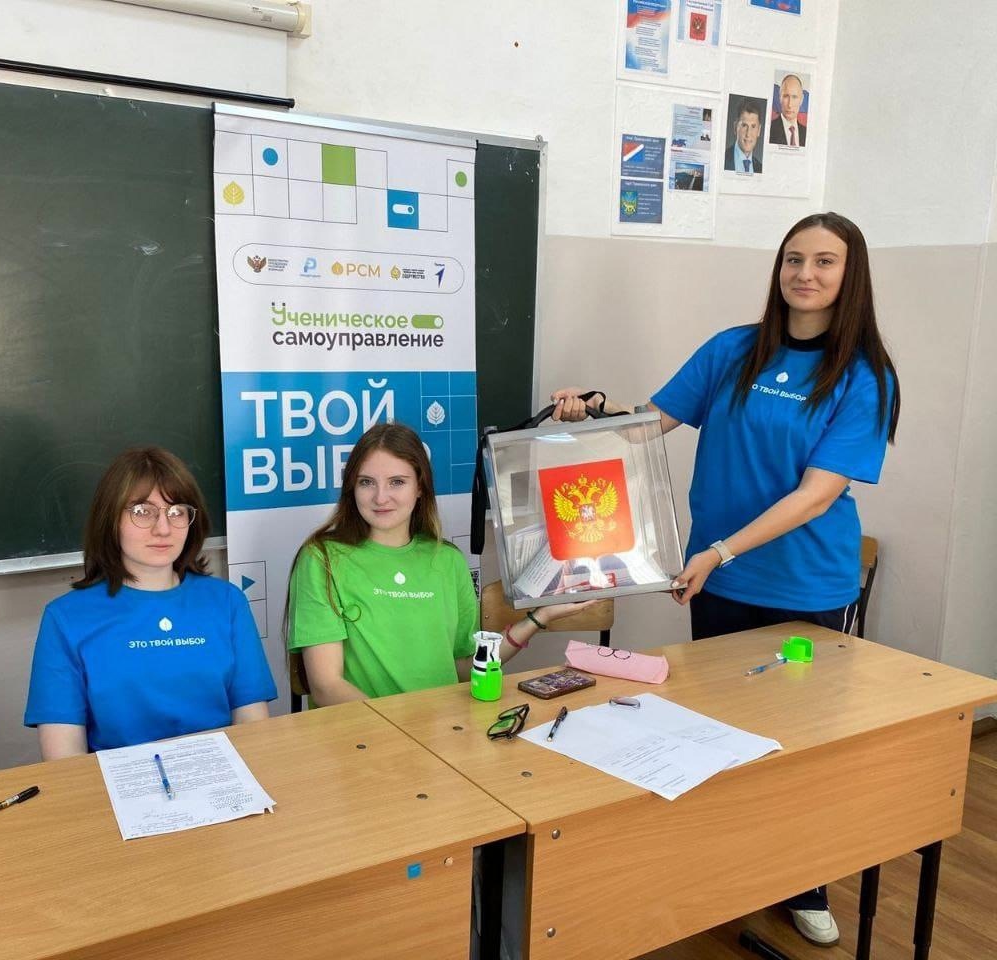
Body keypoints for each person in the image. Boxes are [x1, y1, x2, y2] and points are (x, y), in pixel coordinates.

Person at [553, 211, 901, 947]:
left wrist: (719, 552)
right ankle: (723, 869)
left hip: (805, 588)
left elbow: (816, 495)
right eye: (794, 259)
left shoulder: (864, 377)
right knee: (716, 731)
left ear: (851, 275)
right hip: (719, 583)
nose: (805, 274)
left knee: (798, 742)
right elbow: (648, 426)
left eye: (825, 262)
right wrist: (588, 417)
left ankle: (804, 880)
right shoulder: (734, 350)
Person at [287, 422, 595, 706]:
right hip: (368, 737)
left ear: (420, 487)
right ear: (351, 487)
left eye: (397, 482)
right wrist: (403, 736)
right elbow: (327, 687)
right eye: (366, 482)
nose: (381, 497)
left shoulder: (448, 560)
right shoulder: (322, 558)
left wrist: (540, 616)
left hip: (444, 731)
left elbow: (463, 667)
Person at [25, 447, 275, 758]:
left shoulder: (227, 602)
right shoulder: (66, 617)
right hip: (116, 781)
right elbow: (64, 758)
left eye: (177, 511)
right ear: (110, 519)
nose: (163, 528)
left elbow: (253, 727)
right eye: (143, 511)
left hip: (219, 773)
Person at [724, 99, 764, 173]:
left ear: (759, 130)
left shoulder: (760, 169)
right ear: (735, 127)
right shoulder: (721, 159)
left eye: (753, 126)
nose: (748, 134)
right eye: (744, 125)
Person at [769, 74, 808, 147]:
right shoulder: (769, 130)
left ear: (802, 99)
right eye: (786, 96)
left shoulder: (806, 133)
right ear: (780, 97)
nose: (789, 104)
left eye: (794, 97)